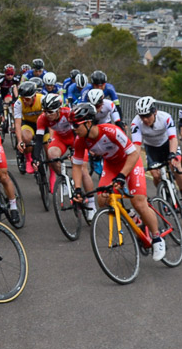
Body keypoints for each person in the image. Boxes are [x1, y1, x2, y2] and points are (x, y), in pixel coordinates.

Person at [70, 101, 163, 260]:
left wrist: (122, 176)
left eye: (76, 125)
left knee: (139, 202)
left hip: (130, 162)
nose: (73, 129)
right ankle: (131, 216)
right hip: (112, 165)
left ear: (87, 123)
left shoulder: (111, 131)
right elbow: (77, 166)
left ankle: (157, 238)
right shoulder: (80, 141)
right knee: (103, 199)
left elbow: (134, 154)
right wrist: (77, 190)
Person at [131, 95, 182, 214]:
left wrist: (172, 154)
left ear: (155, 112)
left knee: (176, 167)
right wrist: (134, 162)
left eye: (147, 115)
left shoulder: (165, 117)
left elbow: (173, 138)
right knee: (155, 175)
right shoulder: (136, 123)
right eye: (142, 116)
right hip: (152, 148)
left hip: (168, 145)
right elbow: (137, 145)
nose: (145, 119)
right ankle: (165, 195)